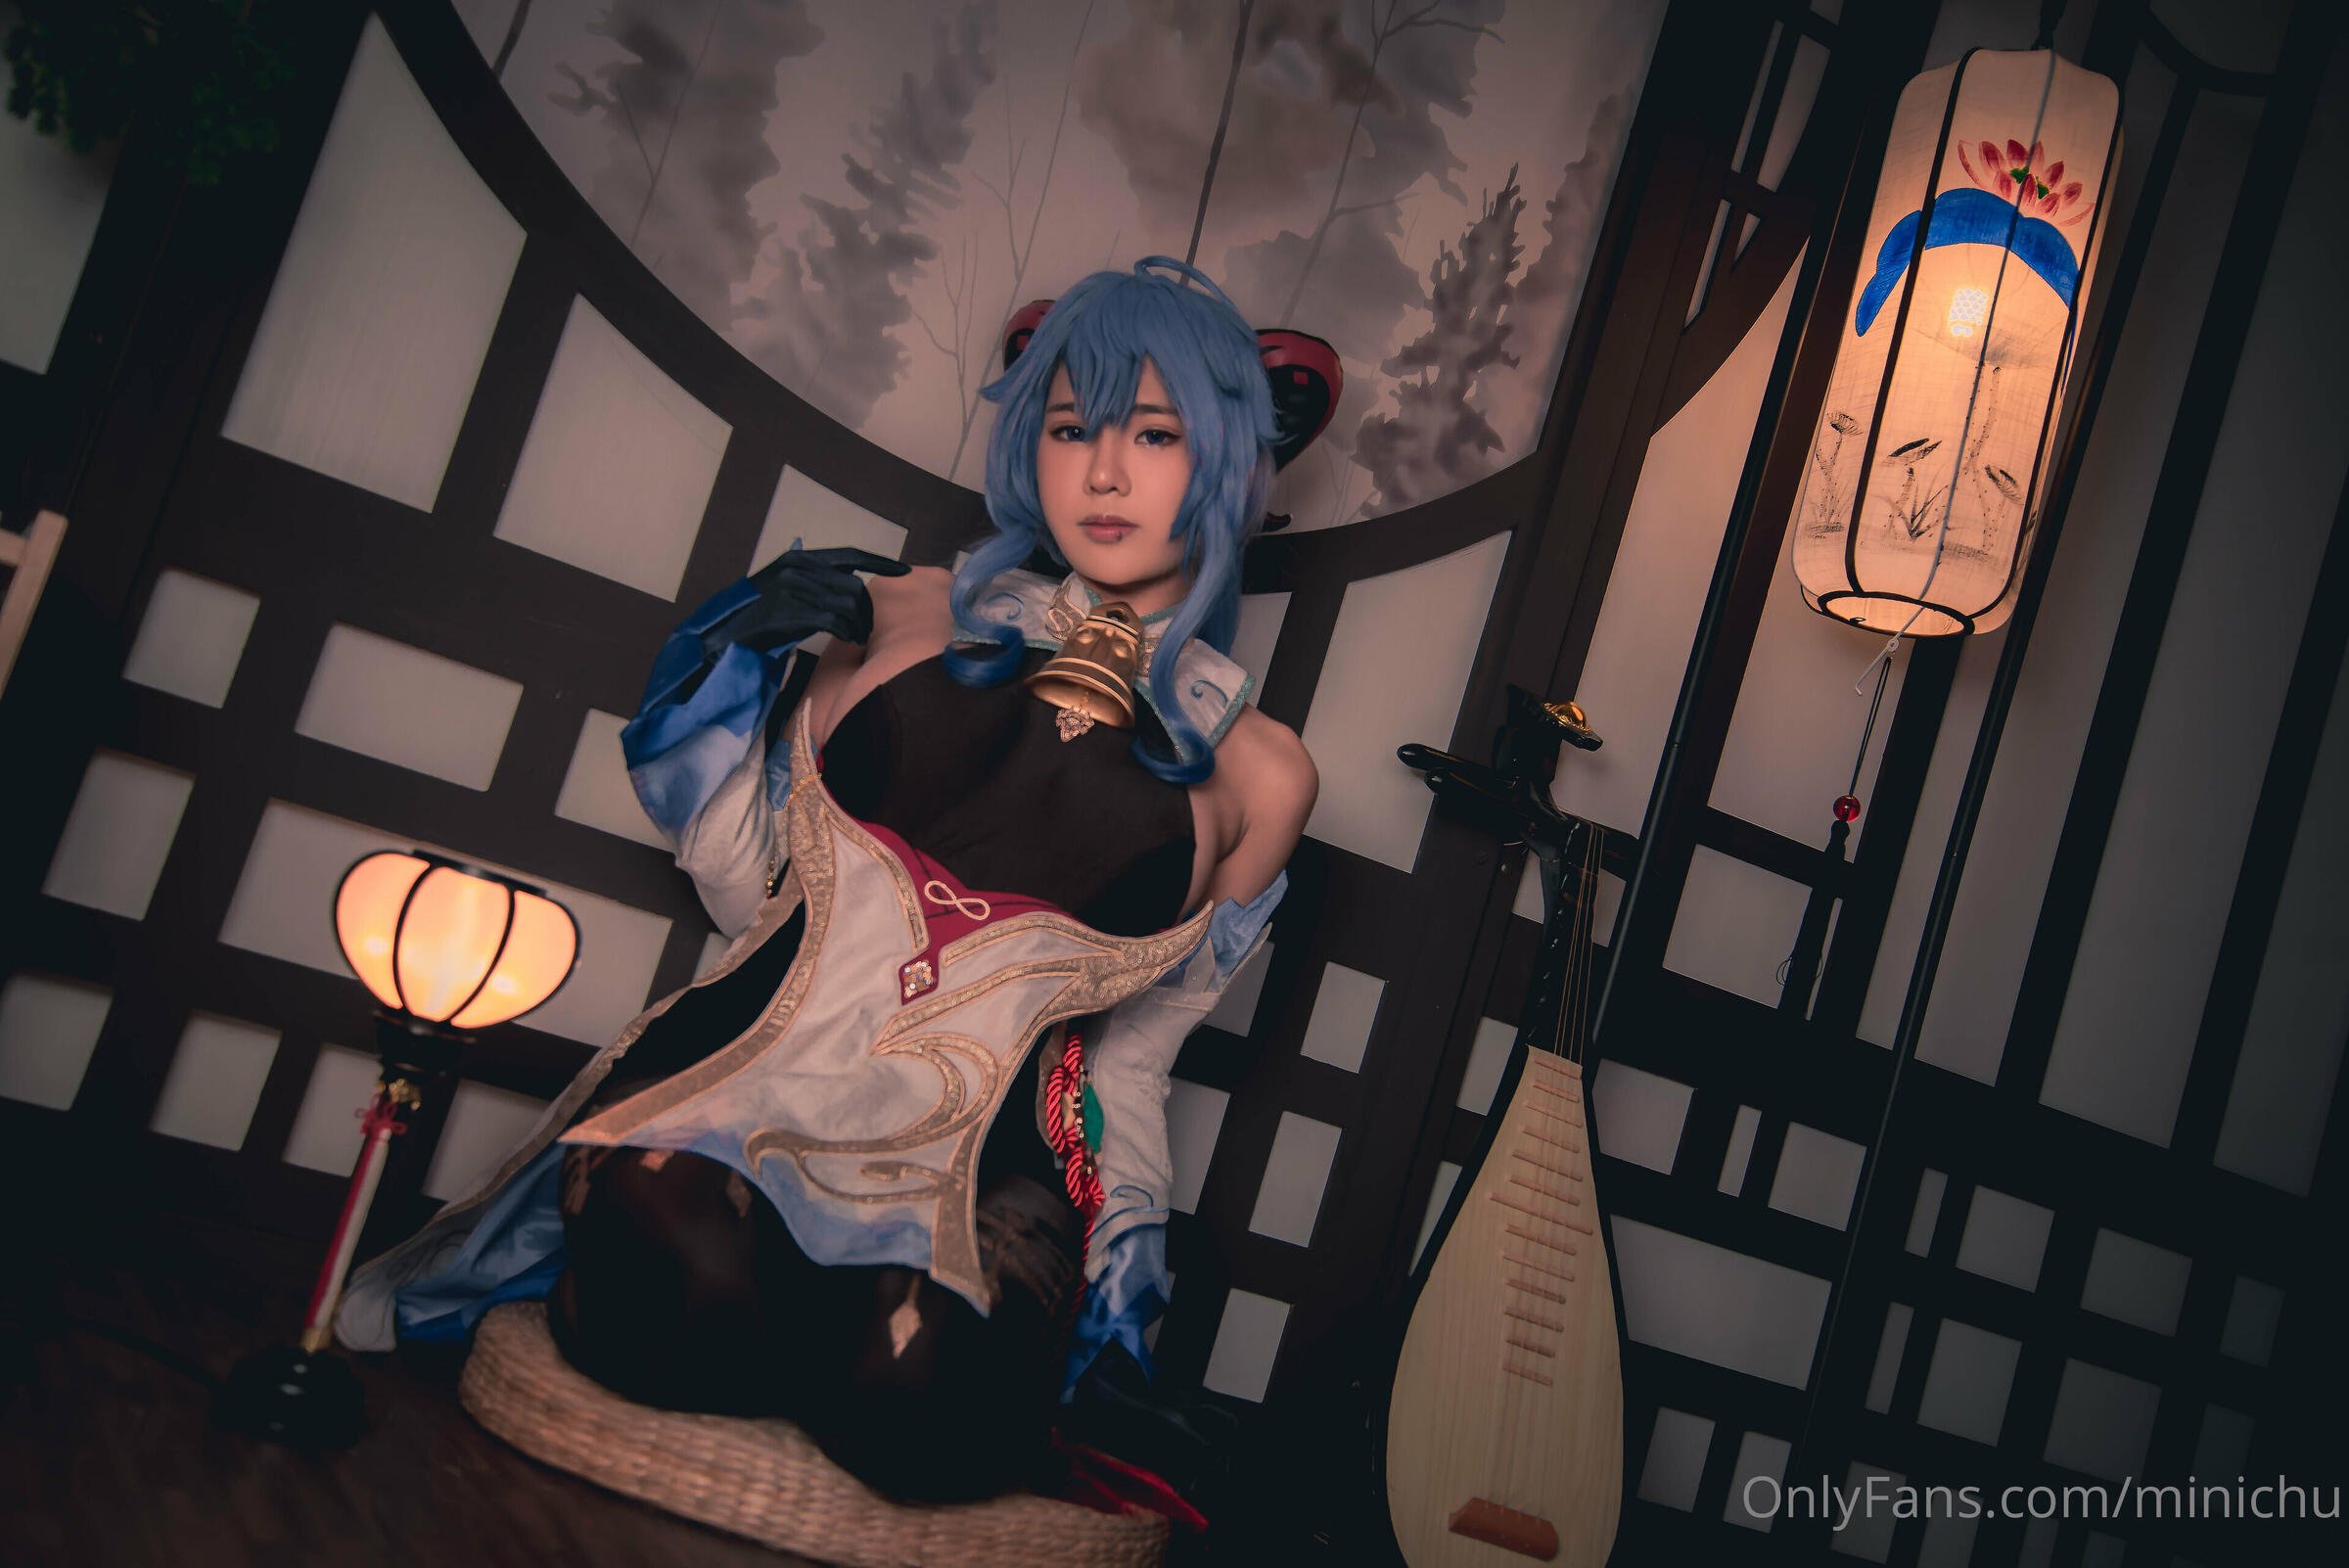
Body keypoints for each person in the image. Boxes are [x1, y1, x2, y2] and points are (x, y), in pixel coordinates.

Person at [337, 256, 1331, 1507]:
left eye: (1157, 434)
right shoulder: (902, 611)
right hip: (754, 1081)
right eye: (1073, 427)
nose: (1104, 474)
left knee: (912, 1400)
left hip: (986, 1156)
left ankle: (869, 1344)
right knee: (681, 1290)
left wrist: (1122, 1306)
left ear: (1229, 457)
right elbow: (747, 887)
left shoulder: (1263, 772)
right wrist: (732, 658)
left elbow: (1128, 1066)